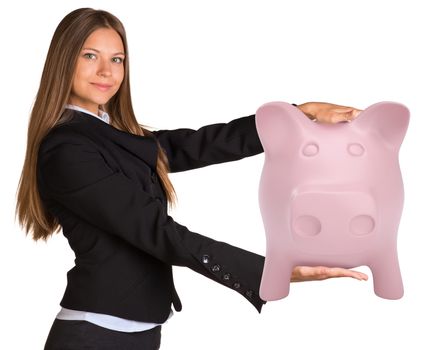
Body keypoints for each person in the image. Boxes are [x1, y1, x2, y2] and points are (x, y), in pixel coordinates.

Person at [15, 8, 368, 350]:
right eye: (90, 56)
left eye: (117, 59)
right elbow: (157, 231)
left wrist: (294, 116)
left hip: (138, 332)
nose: (107, 71)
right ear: (65, 61)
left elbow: (193, 145)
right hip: (96, 336)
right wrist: (269, 271)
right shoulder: (67, 149)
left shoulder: (110, 132)